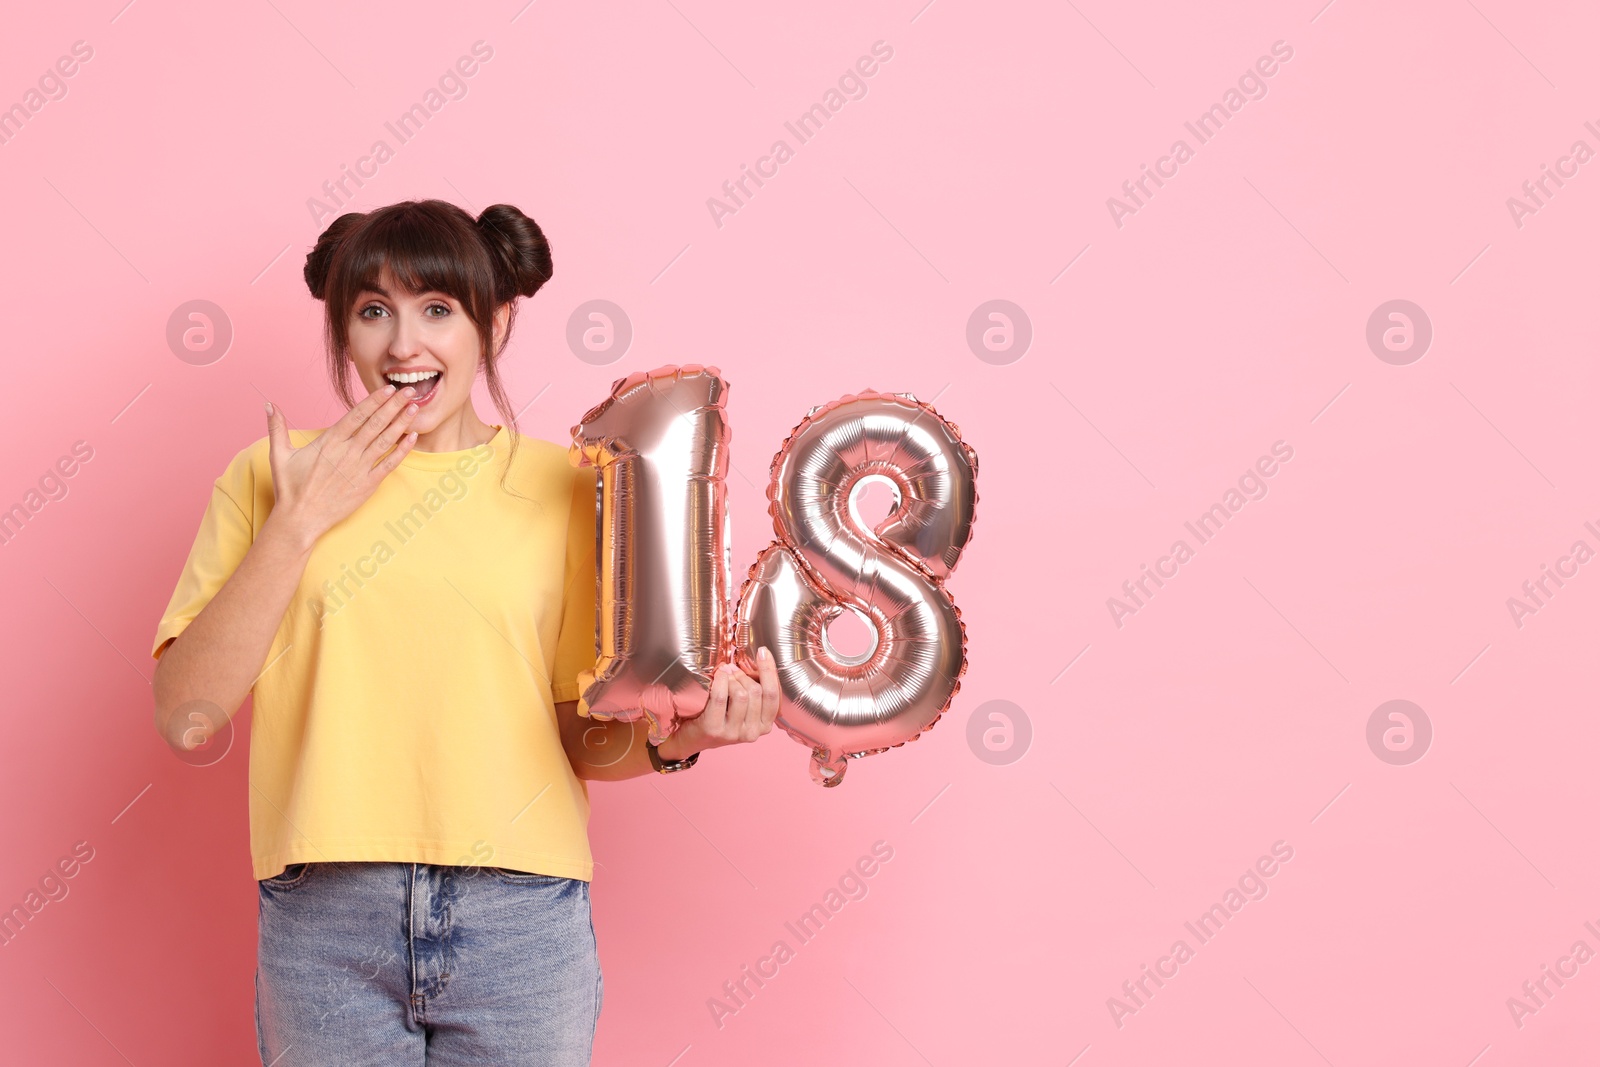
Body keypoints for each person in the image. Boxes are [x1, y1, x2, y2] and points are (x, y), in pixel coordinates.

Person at [149, 199, 780, 1065]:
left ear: (496, 320)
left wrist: (682, 741)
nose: (403, 344)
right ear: (343, 330)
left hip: (520, 915)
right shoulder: (274, 474)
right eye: (373, 311)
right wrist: (298, 524)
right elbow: (188, 709)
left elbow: (574, 731)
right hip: (326, 915)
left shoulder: (568, 485)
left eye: (437, 309)